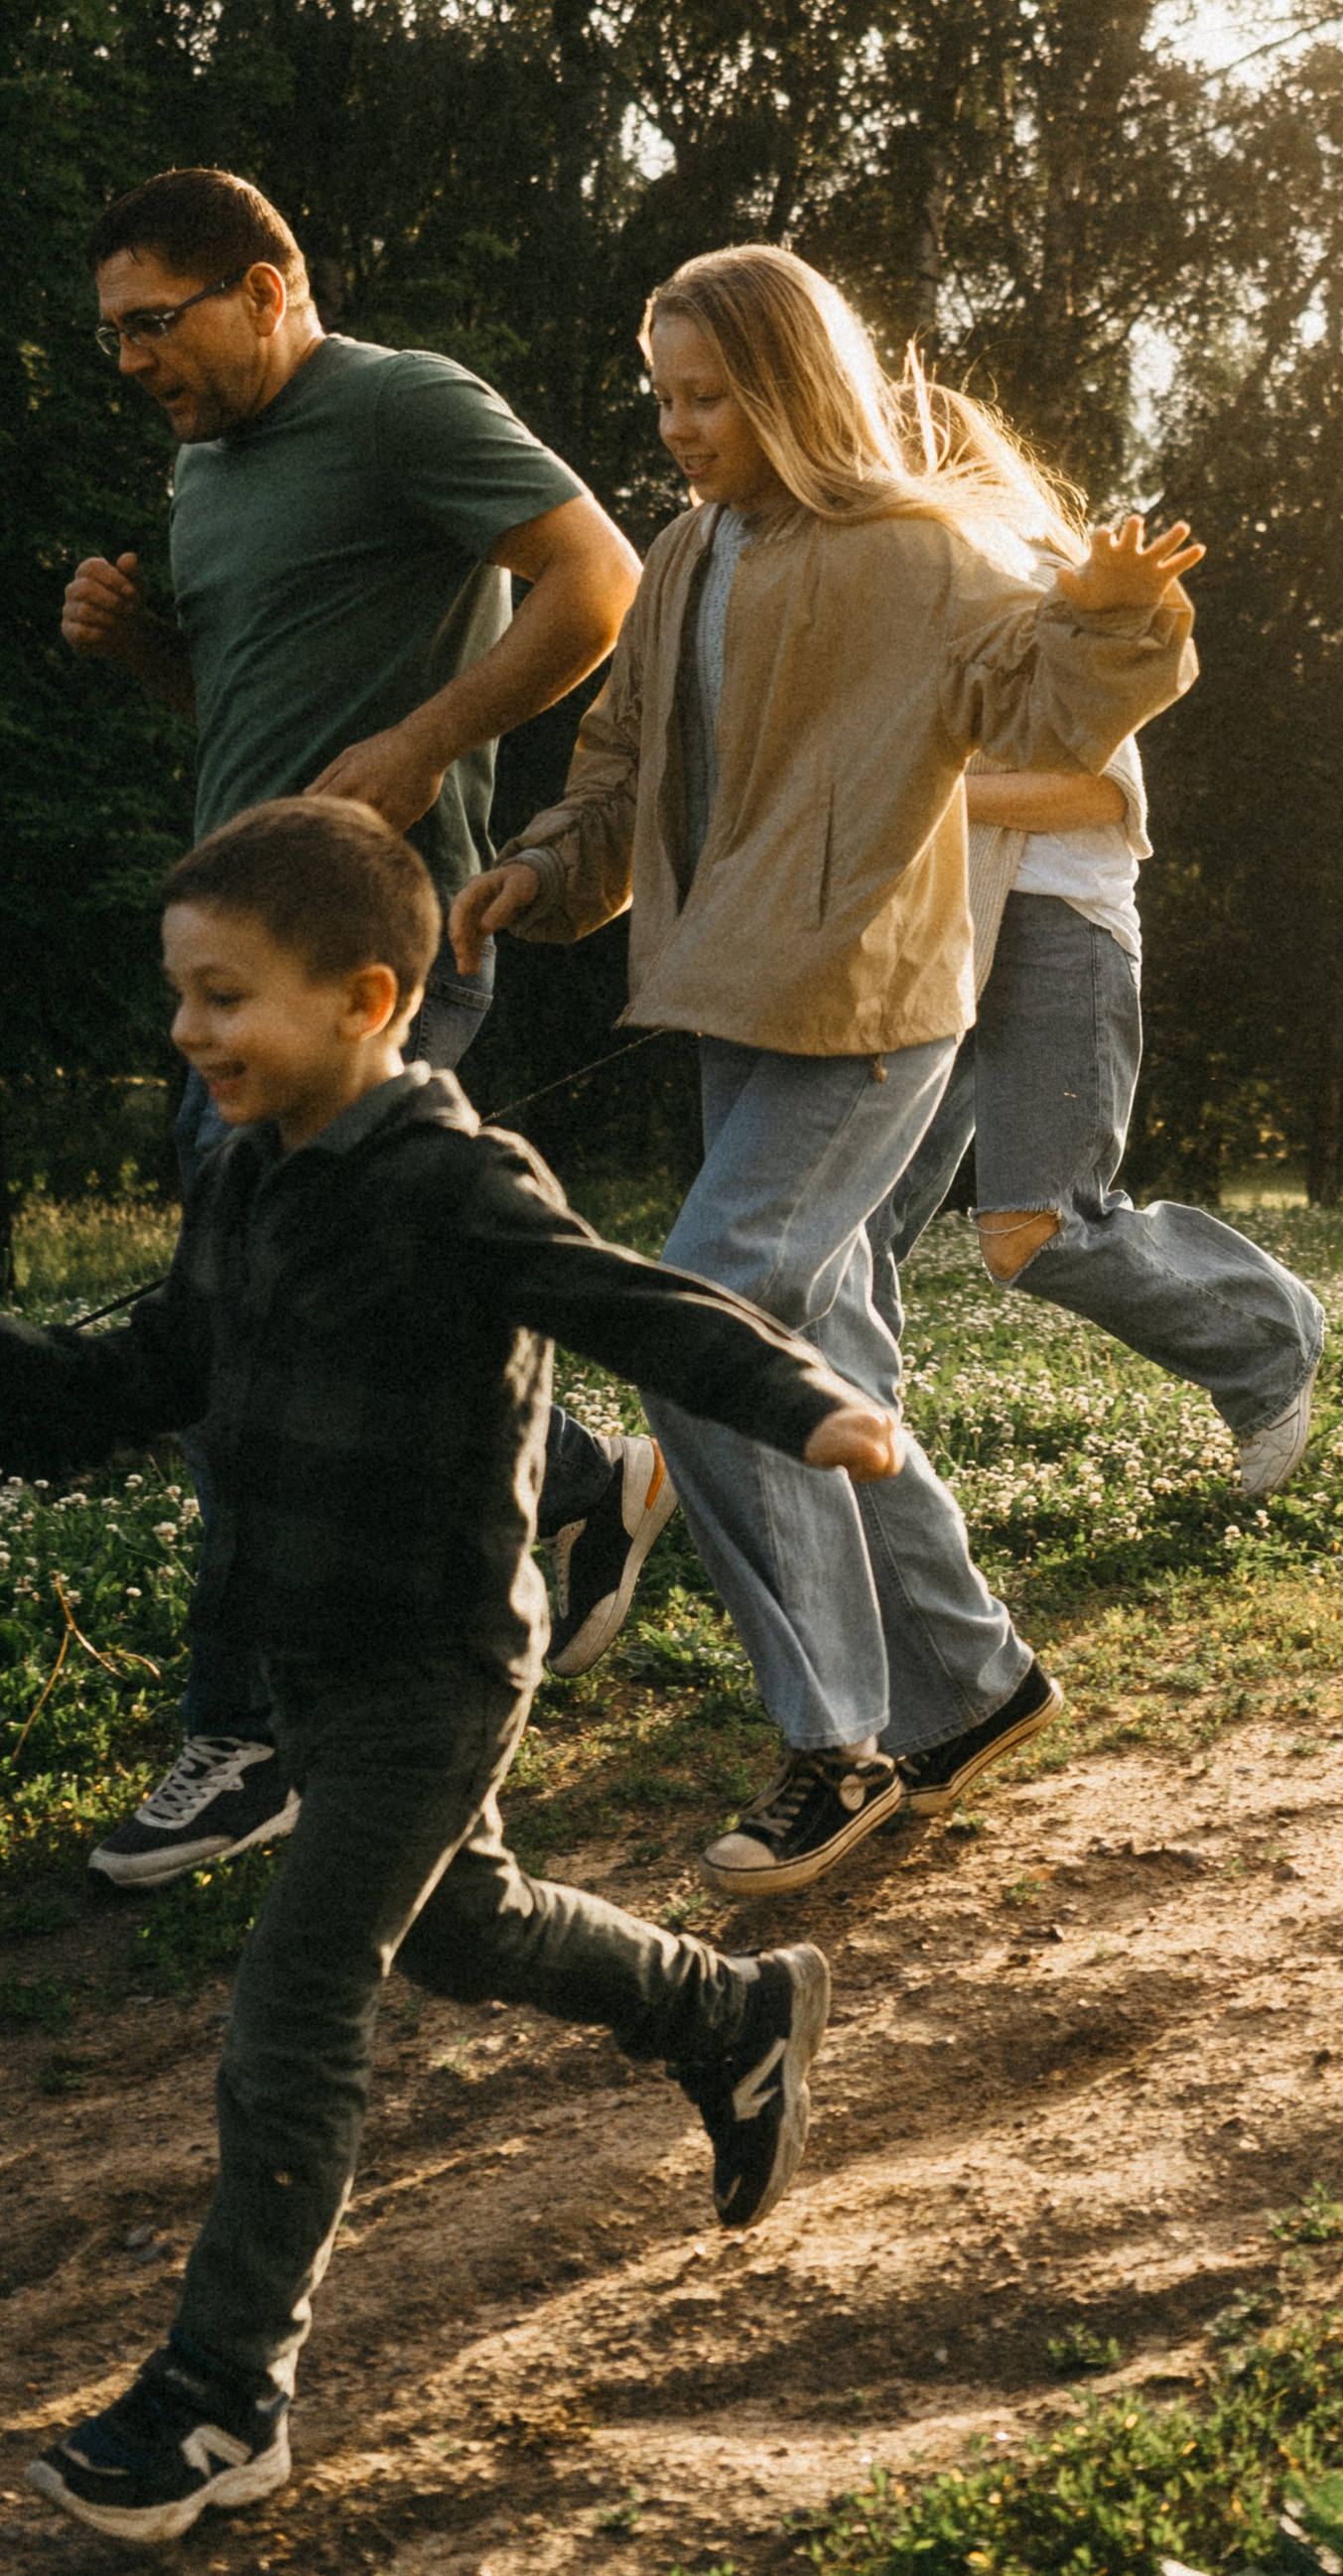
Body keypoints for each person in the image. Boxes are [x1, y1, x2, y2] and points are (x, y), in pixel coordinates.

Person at [12, 797, 903, 2545]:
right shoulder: (243, 1168)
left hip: (432, 1656)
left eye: (224, 999)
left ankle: (224, 2396)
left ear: (366, 997)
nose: (192, 1033)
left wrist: (803, 1401)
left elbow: (629, 1300)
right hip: (303, 1652)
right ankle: (728, 2013)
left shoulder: (451, 1178)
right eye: (182, 997)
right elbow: (154, 1358)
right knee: (463, 1919)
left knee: (298, 2001)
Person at [451, 244, 1200, 1897]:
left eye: (708, 394)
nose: (678, 426)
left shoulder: (917, 553)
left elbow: (1053, 709)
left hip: (868, 1006)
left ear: (794, 390)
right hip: (732, 990)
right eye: (663, 394)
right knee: (818, 1350)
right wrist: (544, 869)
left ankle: (838, 1739)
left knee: (707, 1315)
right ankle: (974, 1682)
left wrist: (1116, 611)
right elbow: (624, 761)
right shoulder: (687, 548)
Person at [65, 169, 671, 1893]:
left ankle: (248, 1727)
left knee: (240, 1308)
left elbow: (596, 580)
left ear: (268, 288)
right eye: (109, 333)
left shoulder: (400, 403)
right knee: (315, 1297)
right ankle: (571, 1470)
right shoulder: (207, 468)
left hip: (385, 937)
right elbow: (268, 702)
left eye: (154, 321)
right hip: (250, 938)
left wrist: (428, 744)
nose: (130, 361)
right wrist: (150, 657)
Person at [880, 672, 1321, 1501]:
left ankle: (1263, 1341)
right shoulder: (903, 586)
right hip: (933, 922)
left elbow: (1099, 790)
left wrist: (922, 791)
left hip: (1058, 927)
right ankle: (810, 1450)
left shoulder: (1046, 581)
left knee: (1036, 1228)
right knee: (861, 1213)